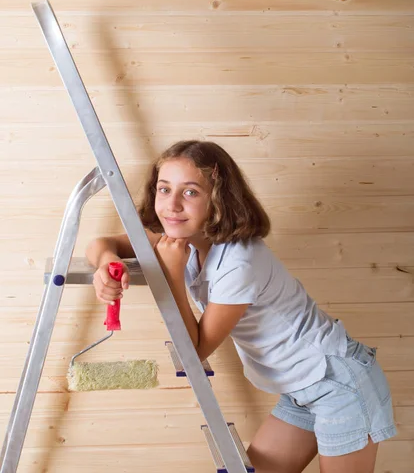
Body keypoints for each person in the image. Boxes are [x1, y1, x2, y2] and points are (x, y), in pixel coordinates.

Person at [87, 140, 397, 473]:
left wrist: (172, 273)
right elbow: (102, 244)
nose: (172, 205)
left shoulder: (240, 261)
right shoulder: (182, 235)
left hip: (336, 383)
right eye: (164, 189)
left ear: (218, 199)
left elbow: (198, 349)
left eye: (190, 192)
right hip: (299, 388)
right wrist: (106, 263)